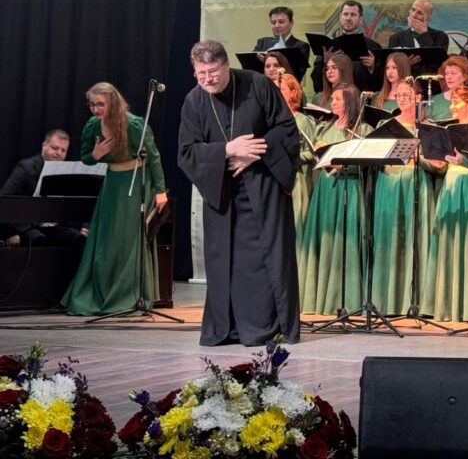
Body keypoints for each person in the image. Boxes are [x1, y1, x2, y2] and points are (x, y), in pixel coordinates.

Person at [178, 39, 300, 346]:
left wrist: (255, 152)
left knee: (265, 260)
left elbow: (286, 128)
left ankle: (267, 327)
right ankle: (228, 327)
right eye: (201, 73)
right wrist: (228, 150)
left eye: (213, 71)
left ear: (226, 65)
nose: (207, 79)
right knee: (225, 262)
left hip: (263, 186)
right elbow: (186, 152)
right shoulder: (194, 101)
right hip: (222, 191)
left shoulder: (257, 85)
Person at [63, 83, 168, 315]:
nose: (95, 109)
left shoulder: (133, 124)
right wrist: (96, 154)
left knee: (128, 239)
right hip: (112, 183)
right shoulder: (93, 125)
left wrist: (161, 191)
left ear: (113, 102)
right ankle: (102, 291)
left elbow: (153, 157)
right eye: (92, 104)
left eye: (100, 104)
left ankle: (128, 295)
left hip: (136, 181)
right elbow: (85, 158)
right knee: (107, 238)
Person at [371, 77, 443, 315]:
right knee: (390, 240)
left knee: (414, 239)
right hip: (390, 186)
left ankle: (416, 301)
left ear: (418, 98)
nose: (402, 99)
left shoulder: (429, 127)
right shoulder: (386, 125)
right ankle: (387, 301)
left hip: (416, 185)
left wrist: (419, 158)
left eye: (407, 95)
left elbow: (440, 166)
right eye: (399, 95)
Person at [422, 86, 468, 321]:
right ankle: (446, 304)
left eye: (457, 102)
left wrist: (466, 161)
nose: (451, 107)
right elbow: (444, 163)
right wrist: (436, 161)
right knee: (448, 242)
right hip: (450, 187)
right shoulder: (448, 130)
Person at [297, 84, 367, 316]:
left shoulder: (362, 129)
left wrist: (343, 163)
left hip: (349, 187)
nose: (332, 103)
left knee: (345, 242)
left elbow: (368, 163)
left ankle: (345, 299)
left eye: (338, 99)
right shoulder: (323, 128)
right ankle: (317, 300)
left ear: (350, 102)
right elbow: (314, 154)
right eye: (333, 99)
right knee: (324, 240)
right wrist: (319, 154)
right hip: (325, 189)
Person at [1, 129, 85, 247]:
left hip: (54, 226)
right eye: (55, 148)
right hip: (28, 226)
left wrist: (83, 227)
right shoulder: (26, 168)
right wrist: (10, 232)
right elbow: (5, 199)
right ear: (44, 146)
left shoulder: (67, 172)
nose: (58, 153)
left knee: (78, 239)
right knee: (38, 239)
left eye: (63, 150)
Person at [276, 74, 316, 243]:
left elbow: (313, 151)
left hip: (296, 178)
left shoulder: (303, 120)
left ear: (293, 92)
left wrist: (291, 158)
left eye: (282, 89)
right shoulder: (272, 119)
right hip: (276, 178)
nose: (278, 92)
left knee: (296, 224)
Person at [311, 0, 383, 93]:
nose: (348, 18)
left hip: (361, 98)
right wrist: (324, 63)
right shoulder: (329, 46)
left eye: (353, 15)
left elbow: (381, 85)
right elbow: (317, 85)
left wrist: (372, 68)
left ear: (360, 19)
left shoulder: (372, 46)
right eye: (345, 14)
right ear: (340, 18)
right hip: (334, 97)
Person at [387, 0, 450, 74]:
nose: (414, 15)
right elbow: (390, 67)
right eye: (413, 10)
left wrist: (424, 34)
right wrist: (405, 65)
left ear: (428, 17)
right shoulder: (396, 38)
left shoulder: (440, 36)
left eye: (419, 13)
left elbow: (438, 62)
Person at [254, 6, 311, 83]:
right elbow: (252, 70)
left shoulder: (301, 46)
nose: (276, 26)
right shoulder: (263, 43)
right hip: (264, 86)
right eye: (273, 22)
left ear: (291, 23)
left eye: (281, 22)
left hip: (288, 87)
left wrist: (267, 60)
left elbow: (298, 75)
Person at [425, 55, 468, 122]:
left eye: (453, 73)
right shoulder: (434, 100)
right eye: (446, 73)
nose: (448, 77)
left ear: (465, 77)